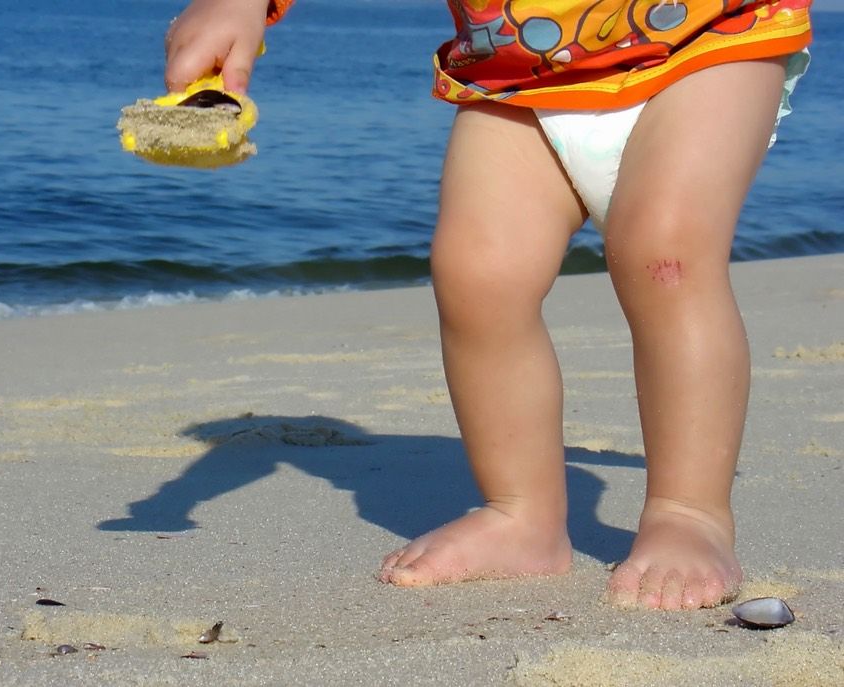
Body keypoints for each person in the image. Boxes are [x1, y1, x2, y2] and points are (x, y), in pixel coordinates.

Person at [162, 0, 813, 610]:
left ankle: (689, 512)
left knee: (664, 255)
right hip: (517, 74)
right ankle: (521, 514)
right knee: (477, 271)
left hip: (704, 44)